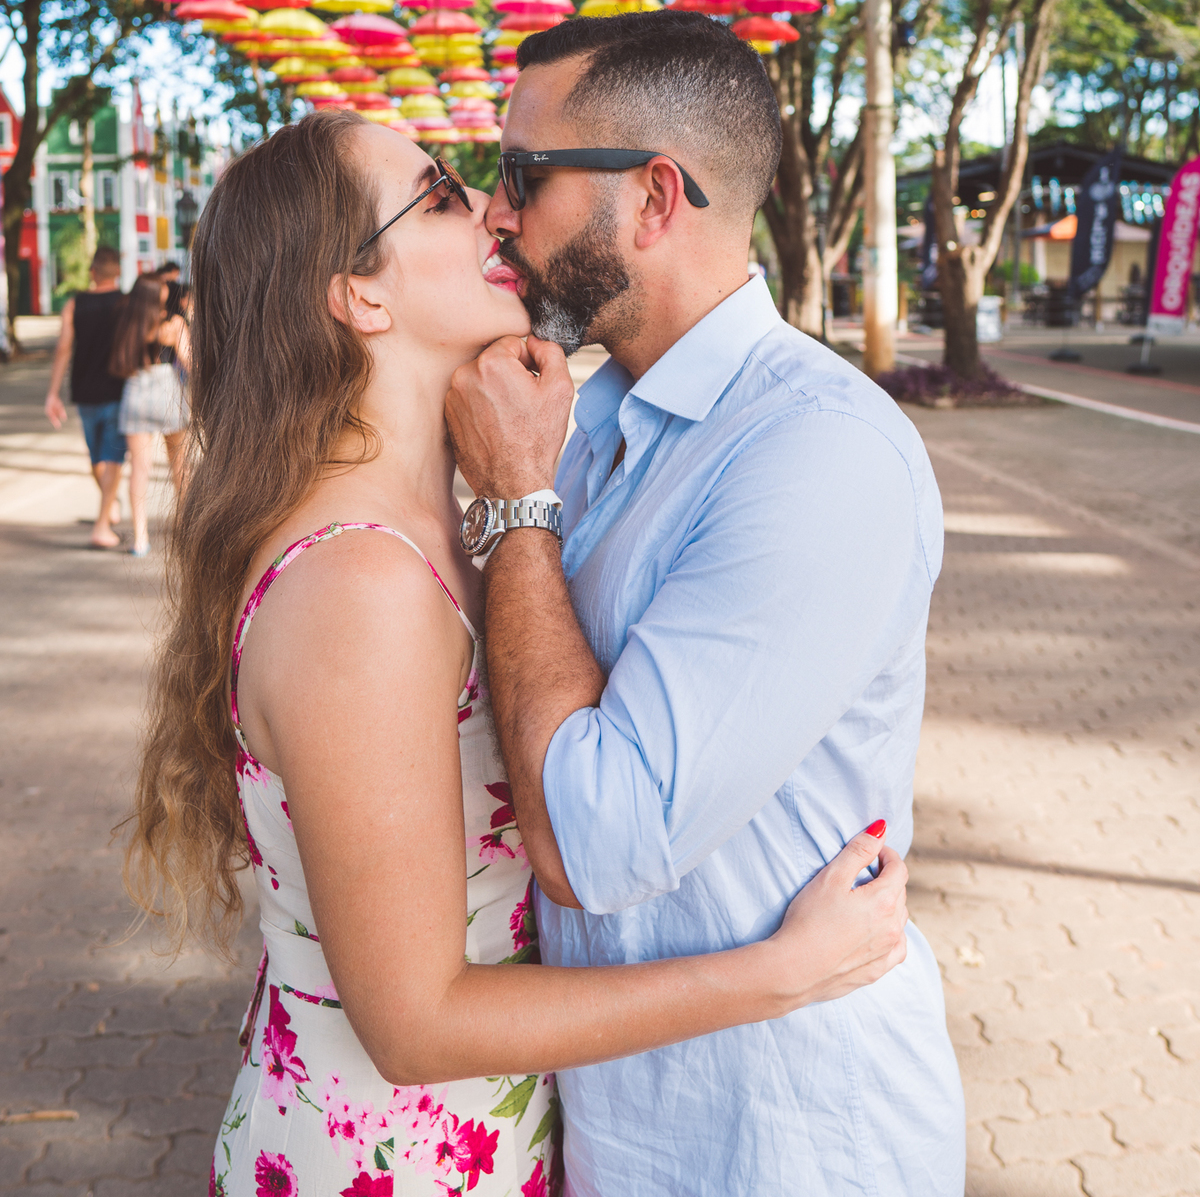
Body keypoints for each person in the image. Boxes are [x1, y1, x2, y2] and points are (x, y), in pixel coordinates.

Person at [124, 111, 909, 1197]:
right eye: (443, 195)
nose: (495, 213)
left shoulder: (435, 527)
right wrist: (781, 972)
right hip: (390, 1158)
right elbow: (416, 1021)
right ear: (360, 294)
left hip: (450, 1141)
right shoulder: (366, 587)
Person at [445, 12, 967, 1197]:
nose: (494, 210)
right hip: (622, 1117)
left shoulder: (813, 454)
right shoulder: (589, 426)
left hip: (783, 1138)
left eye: (523, 173)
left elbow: (594, 838)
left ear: (653, 197)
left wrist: (516, 502)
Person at [44, 243, 127, 549]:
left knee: (99, 457)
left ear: (93, 272)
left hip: (85, 391)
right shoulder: (126, 303)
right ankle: (106, 515)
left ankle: (106, 515)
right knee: (110, 459)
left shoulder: (74, 304)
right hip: (118, 389)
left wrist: (53, 393)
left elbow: (64, 348)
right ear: (117, 271)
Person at [110, 272, 189, 556]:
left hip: (135, 390)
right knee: (179, 465)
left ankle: (140, 537)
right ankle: (185, 529)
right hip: (167, 390)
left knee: (139, 469)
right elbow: (190, 362)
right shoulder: (173, 325)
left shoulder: (127, 322)